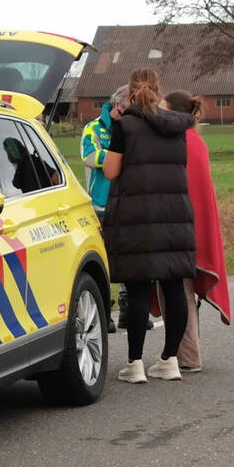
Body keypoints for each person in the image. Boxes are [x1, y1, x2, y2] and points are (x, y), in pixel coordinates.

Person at [102, 68, 195, 383]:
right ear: (158, 90)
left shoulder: (125, 126)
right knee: (173, 285)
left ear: (130, 92)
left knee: (139, 286)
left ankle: (135, 364)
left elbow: (111, 171)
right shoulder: (178, 127)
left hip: (136, 215)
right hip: (174, 213)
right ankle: (170, 361)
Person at [161, 90, 232, 372]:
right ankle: (184, 351)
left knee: (177, 291)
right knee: (179, 291)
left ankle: (188, 355)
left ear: (175, 114)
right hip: (186, 227)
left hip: (181, 229)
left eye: (163, 110)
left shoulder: (182, 142)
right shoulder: (193, 140)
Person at [80, 85, 152, 334]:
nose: (126, 113)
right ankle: (105, 310)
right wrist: (117, 156)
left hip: (127, 200)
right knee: (104, 258)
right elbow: (89, 156)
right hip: (100, 204)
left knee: (128, 256)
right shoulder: (93, 128)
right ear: (115, 105)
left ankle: (127, 308)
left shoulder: (132, 125)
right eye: (124, 109)